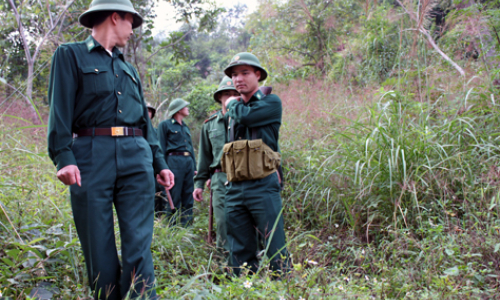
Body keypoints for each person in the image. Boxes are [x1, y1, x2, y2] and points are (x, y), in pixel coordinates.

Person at [46, 0, 174, 298]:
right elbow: (59, 111)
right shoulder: (70, 55)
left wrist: (160, 163)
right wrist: (64, 157)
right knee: (97, 242)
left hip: (136, 154)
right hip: (91, 154)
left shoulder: (129, 69)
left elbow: (145, 121)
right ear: (116, 18)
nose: (132, 30)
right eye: (131, 22)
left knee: (138, 241)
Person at [222, 52, 290, 277]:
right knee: (238, 248)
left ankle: (284, 287)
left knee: (274, 243)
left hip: (262, 184)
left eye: (244, 73)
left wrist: (231, 102)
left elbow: (248, 117)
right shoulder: (235, 111)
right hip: (234, 186)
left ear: (258, 75)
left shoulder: (271, 102)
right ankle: (243, 287)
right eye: (234, 75)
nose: (238, 79)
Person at [193, 76, 239, 255]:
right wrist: (199, 184)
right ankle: (225, 267)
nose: (230, 97)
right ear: (219, 97)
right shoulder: (209, 125)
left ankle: (249, 267)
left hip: (245, 177)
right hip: (220, 178)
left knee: (246, 222)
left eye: (234, 93)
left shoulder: (247, 119)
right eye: (226, 94)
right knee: (222, 223)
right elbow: (204, 158)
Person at [157, 99, 196, 226]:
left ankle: (187, 226)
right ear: (179, 109)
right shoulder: (165, 125)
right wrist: (162, 167)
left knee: (188, 194)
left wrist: (194, 166)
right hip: (174, 162)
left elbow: (190, 148)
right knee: (173, 195)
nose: (187, 109)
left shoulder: (185, 127)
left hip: (188, 162)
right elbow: (161, 147)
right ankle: (172, 227)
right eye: (185, 107)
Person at [146, 103, 168, 216]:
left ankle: (160, 218)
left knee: (160, 194)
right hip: (144, 168)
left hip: (156, 168)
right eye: (146, 110)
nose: (148, 113)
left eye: (150, 111)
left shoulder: (155, 132)